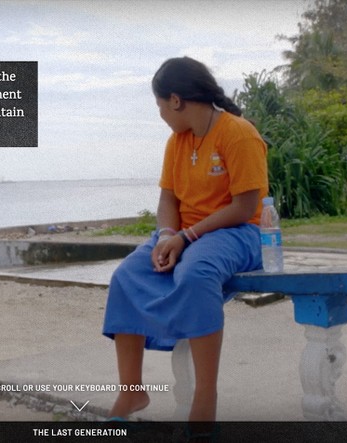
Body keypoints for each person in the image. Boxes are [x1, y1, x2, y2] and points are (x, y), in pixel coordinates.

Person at [102, 57, 268, 432]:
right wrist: (165, 237)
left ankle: (205, 397)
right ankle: (131, 391)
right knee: (126, 275)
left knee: (195, 274)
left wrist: (186, 237)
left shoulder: (238, 134)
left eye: (160, 105)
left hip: (238, 231)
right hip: (183, 232)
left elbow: (245, 206)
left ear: (175, 100)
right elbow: (167, 201)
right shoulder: (177, 142)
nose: (160, 113)